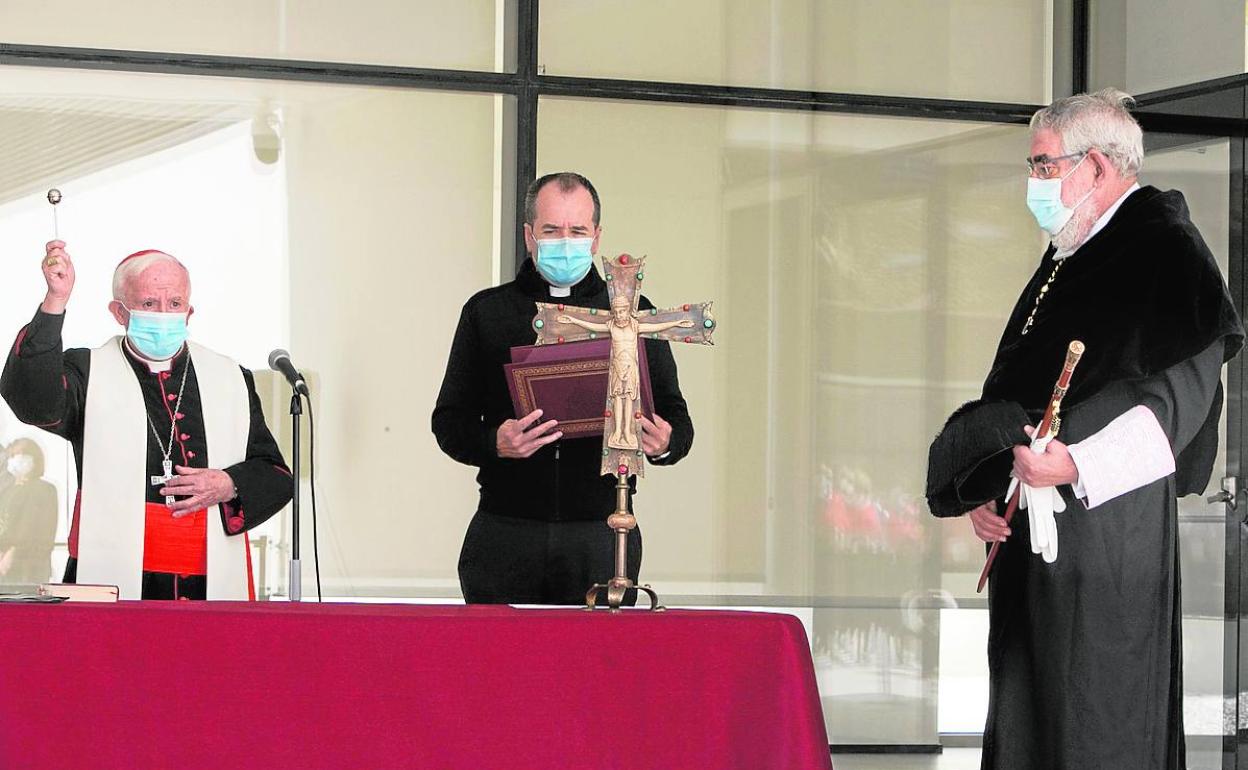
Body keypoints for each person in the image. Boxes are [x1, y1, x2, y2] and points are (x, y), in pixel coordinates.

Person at [926, 89, 1243, 769]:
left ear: (1097, 166)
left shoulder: (1164, 248)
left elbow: (1178, 403)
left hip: (1108, 538)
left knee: (1096, 717)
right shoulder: (1074, 254)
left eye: (1043, 166)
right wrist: (992, 486)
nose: (1033, 184)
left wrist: (1073, 467)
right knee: (1029, 717)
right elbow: (1022, 391)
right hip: (1035, 535)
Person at [432, 172, 694, 605]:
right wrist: (495, 442)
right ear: (529, 236)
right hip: (505, 530)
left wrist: (663, 441)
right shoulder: (488, 312)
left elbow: (677, 421)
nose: (565, 242)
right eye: (552, 231)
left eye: (577, 231)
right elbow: (448, 421)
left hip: (601, 531)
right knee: (494, 667)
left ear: (596, 238)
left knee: (597, 669)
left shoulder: (630, 312)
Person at [1, 242, 293, 600]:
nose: (164, 315)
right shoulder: (88, 370)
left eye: (174, 304)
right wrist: (55, 301)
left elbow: (275, 475)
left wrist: (227, 483)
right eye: (149, 304)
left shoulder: (230, 377)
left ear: (189, 311)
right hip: (111, 569)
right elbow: (34, 402)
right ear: (119, 313)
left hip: (208, 579)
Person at [0, 438, 57, 585]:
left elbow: (42, 530)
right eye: (12, 455)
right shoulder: (8, 490)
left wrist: (13, 551)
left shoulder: (45, 489)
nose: (17, 459)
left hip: (29, 567)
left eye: (23, 454)